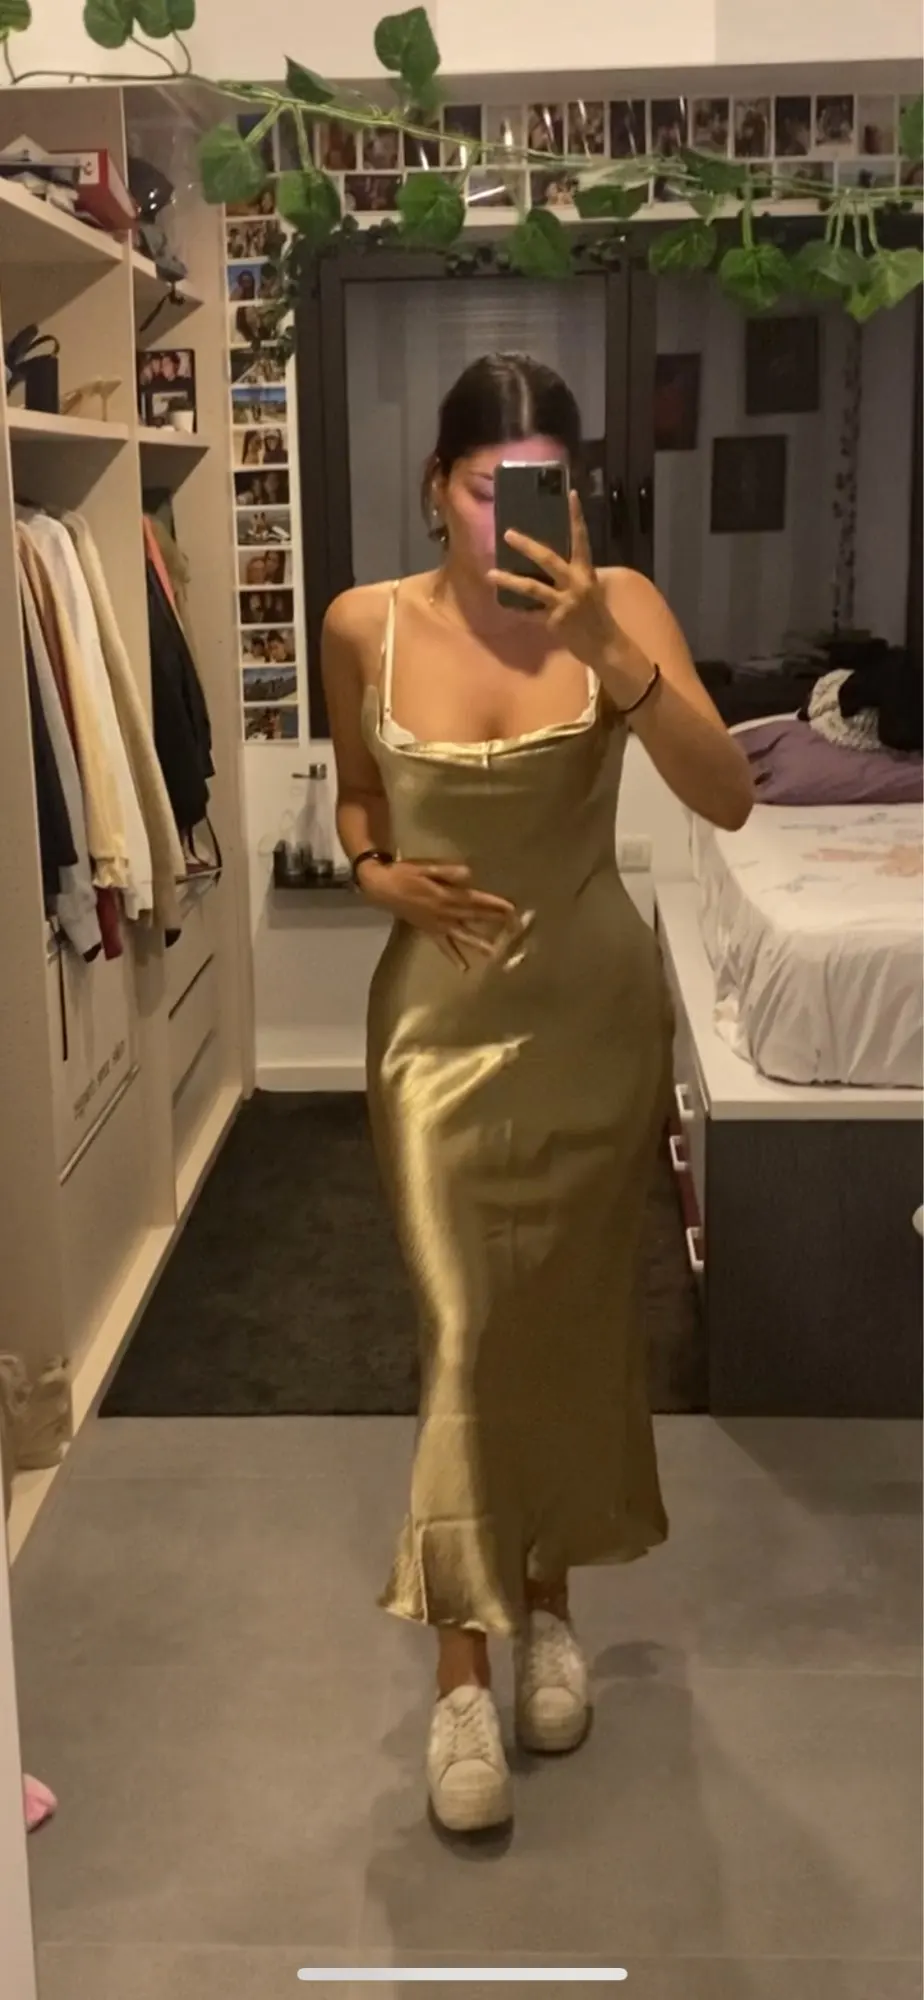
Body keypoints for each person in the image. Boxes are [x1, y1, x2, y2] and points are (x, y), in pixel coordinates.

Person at [322, 353, 753, 1836]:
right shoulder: (364, 624)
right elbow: (357, 800)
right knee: (465, 1330)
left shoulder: (618, 606)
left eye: (545, 484)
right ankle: (461, 1674)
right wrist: (376, 873)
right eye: (483, 484)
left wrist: (606, 650)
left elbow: (728, 794)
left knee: (565, 1323)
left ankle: (550, 1611)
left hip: (592, 1021)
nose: (511, 511)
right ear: (434, 487)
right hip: (436, 1030)